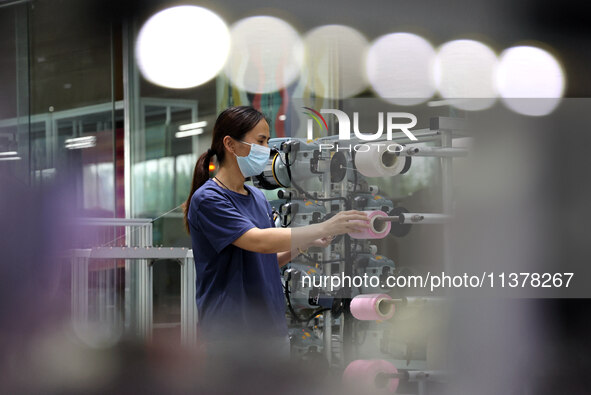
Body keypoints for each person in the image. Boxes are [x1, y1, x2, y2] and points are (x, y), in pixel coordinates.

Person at [183, 106, 369, 361]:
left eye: (267, 141)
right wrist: (325, 226)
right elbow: (258, 241)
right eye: (260, 141)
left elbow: (267, 259)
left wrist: (306, 243)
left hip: (271, 329)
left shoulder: (258, 197)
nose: (266, 150)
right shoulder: (209, 199)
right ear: (230, 144)